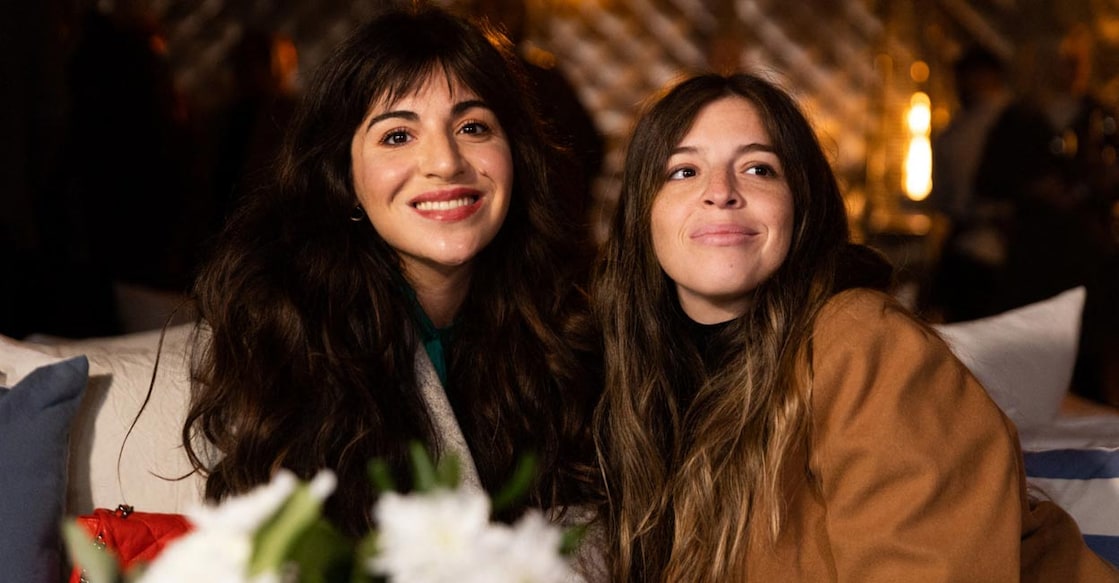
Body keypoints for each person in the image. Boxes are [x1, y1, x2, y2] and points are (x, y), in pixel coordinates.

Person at [592, 72, 1119, 582]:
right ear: (644, 215)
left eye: (758, 169)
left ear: (802, 206)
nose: (721, 192)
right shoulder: (641, 381)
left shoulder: (862, 340)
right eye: (683, 171)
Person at [182, 5, 599, 541]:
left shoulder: (562, 329)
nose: (446, 163)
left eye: (473, 126)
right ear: (345, 176)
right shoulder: (287, 335)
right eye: (398, 136)